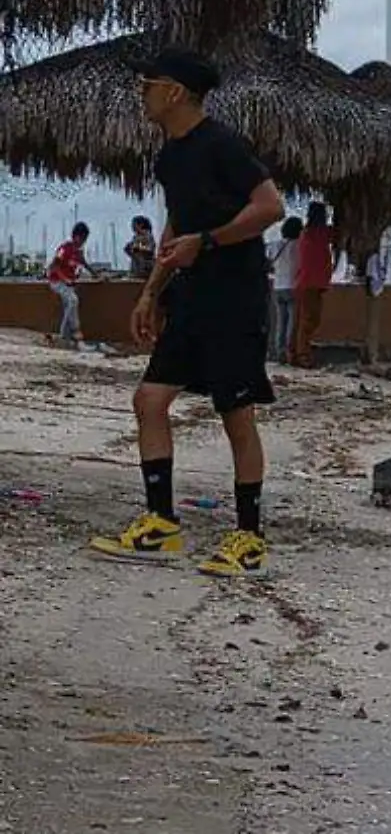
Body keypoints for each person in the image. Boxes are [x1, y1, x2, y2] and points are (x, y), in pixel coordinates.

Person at [89, 47, 286, 578]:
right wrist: (151, 290)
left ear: (174, 92)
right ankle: (161, 524)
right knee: (149, 400)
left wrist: (211, 241)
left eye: (147, 84)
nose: (141, 93)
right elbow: (178, 223)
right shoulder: (169, 156)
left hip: (235, 296)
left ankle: (249, 537)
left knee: (235, 414)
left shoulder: (222, 144)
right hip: (191, 295)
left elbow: (271, 207)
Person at [290, 201, 334, 367]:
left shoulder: (307, 233)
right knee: (309, 320)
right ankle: (303, 355)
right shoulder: (319, 233)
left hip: (307, 282)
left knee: (302, 320)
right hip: (312, 283)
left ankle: (295, 353)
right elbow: (339, 232)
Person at [45, 222, 96, 346]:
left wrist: (96, 274)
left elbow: (84, 263)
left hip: (68, 284)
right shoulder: (65, 248)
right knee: (73, 300)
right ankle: (72, 332)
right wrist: (65, 279)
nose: (83, 242)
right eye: (82, 238)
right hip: (57, 282)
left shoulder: (78, 251)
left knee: (70, 305)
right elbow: (54, 266)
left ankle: (67, 335)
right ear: (76, 236)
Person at [266, 217, 302, 362]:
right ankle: (289, 352)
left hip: (278, 286)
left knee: (281, 321)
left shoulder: (274, 245)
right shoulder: (300, 246)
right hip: (293, 286)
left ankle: (277, 352)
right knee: (292, 323)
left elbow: (267, 260)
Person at [124, 215, 157, 280]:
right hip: (136, 267)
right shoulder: (135, 237)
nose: (132, 226)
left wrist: (138, 248)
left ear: (141, 225)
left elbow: (149, 249)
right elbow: (132, 251)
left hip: (145, 268)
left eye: (134, 224)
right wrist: (129, 250)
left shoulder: (147, 236)